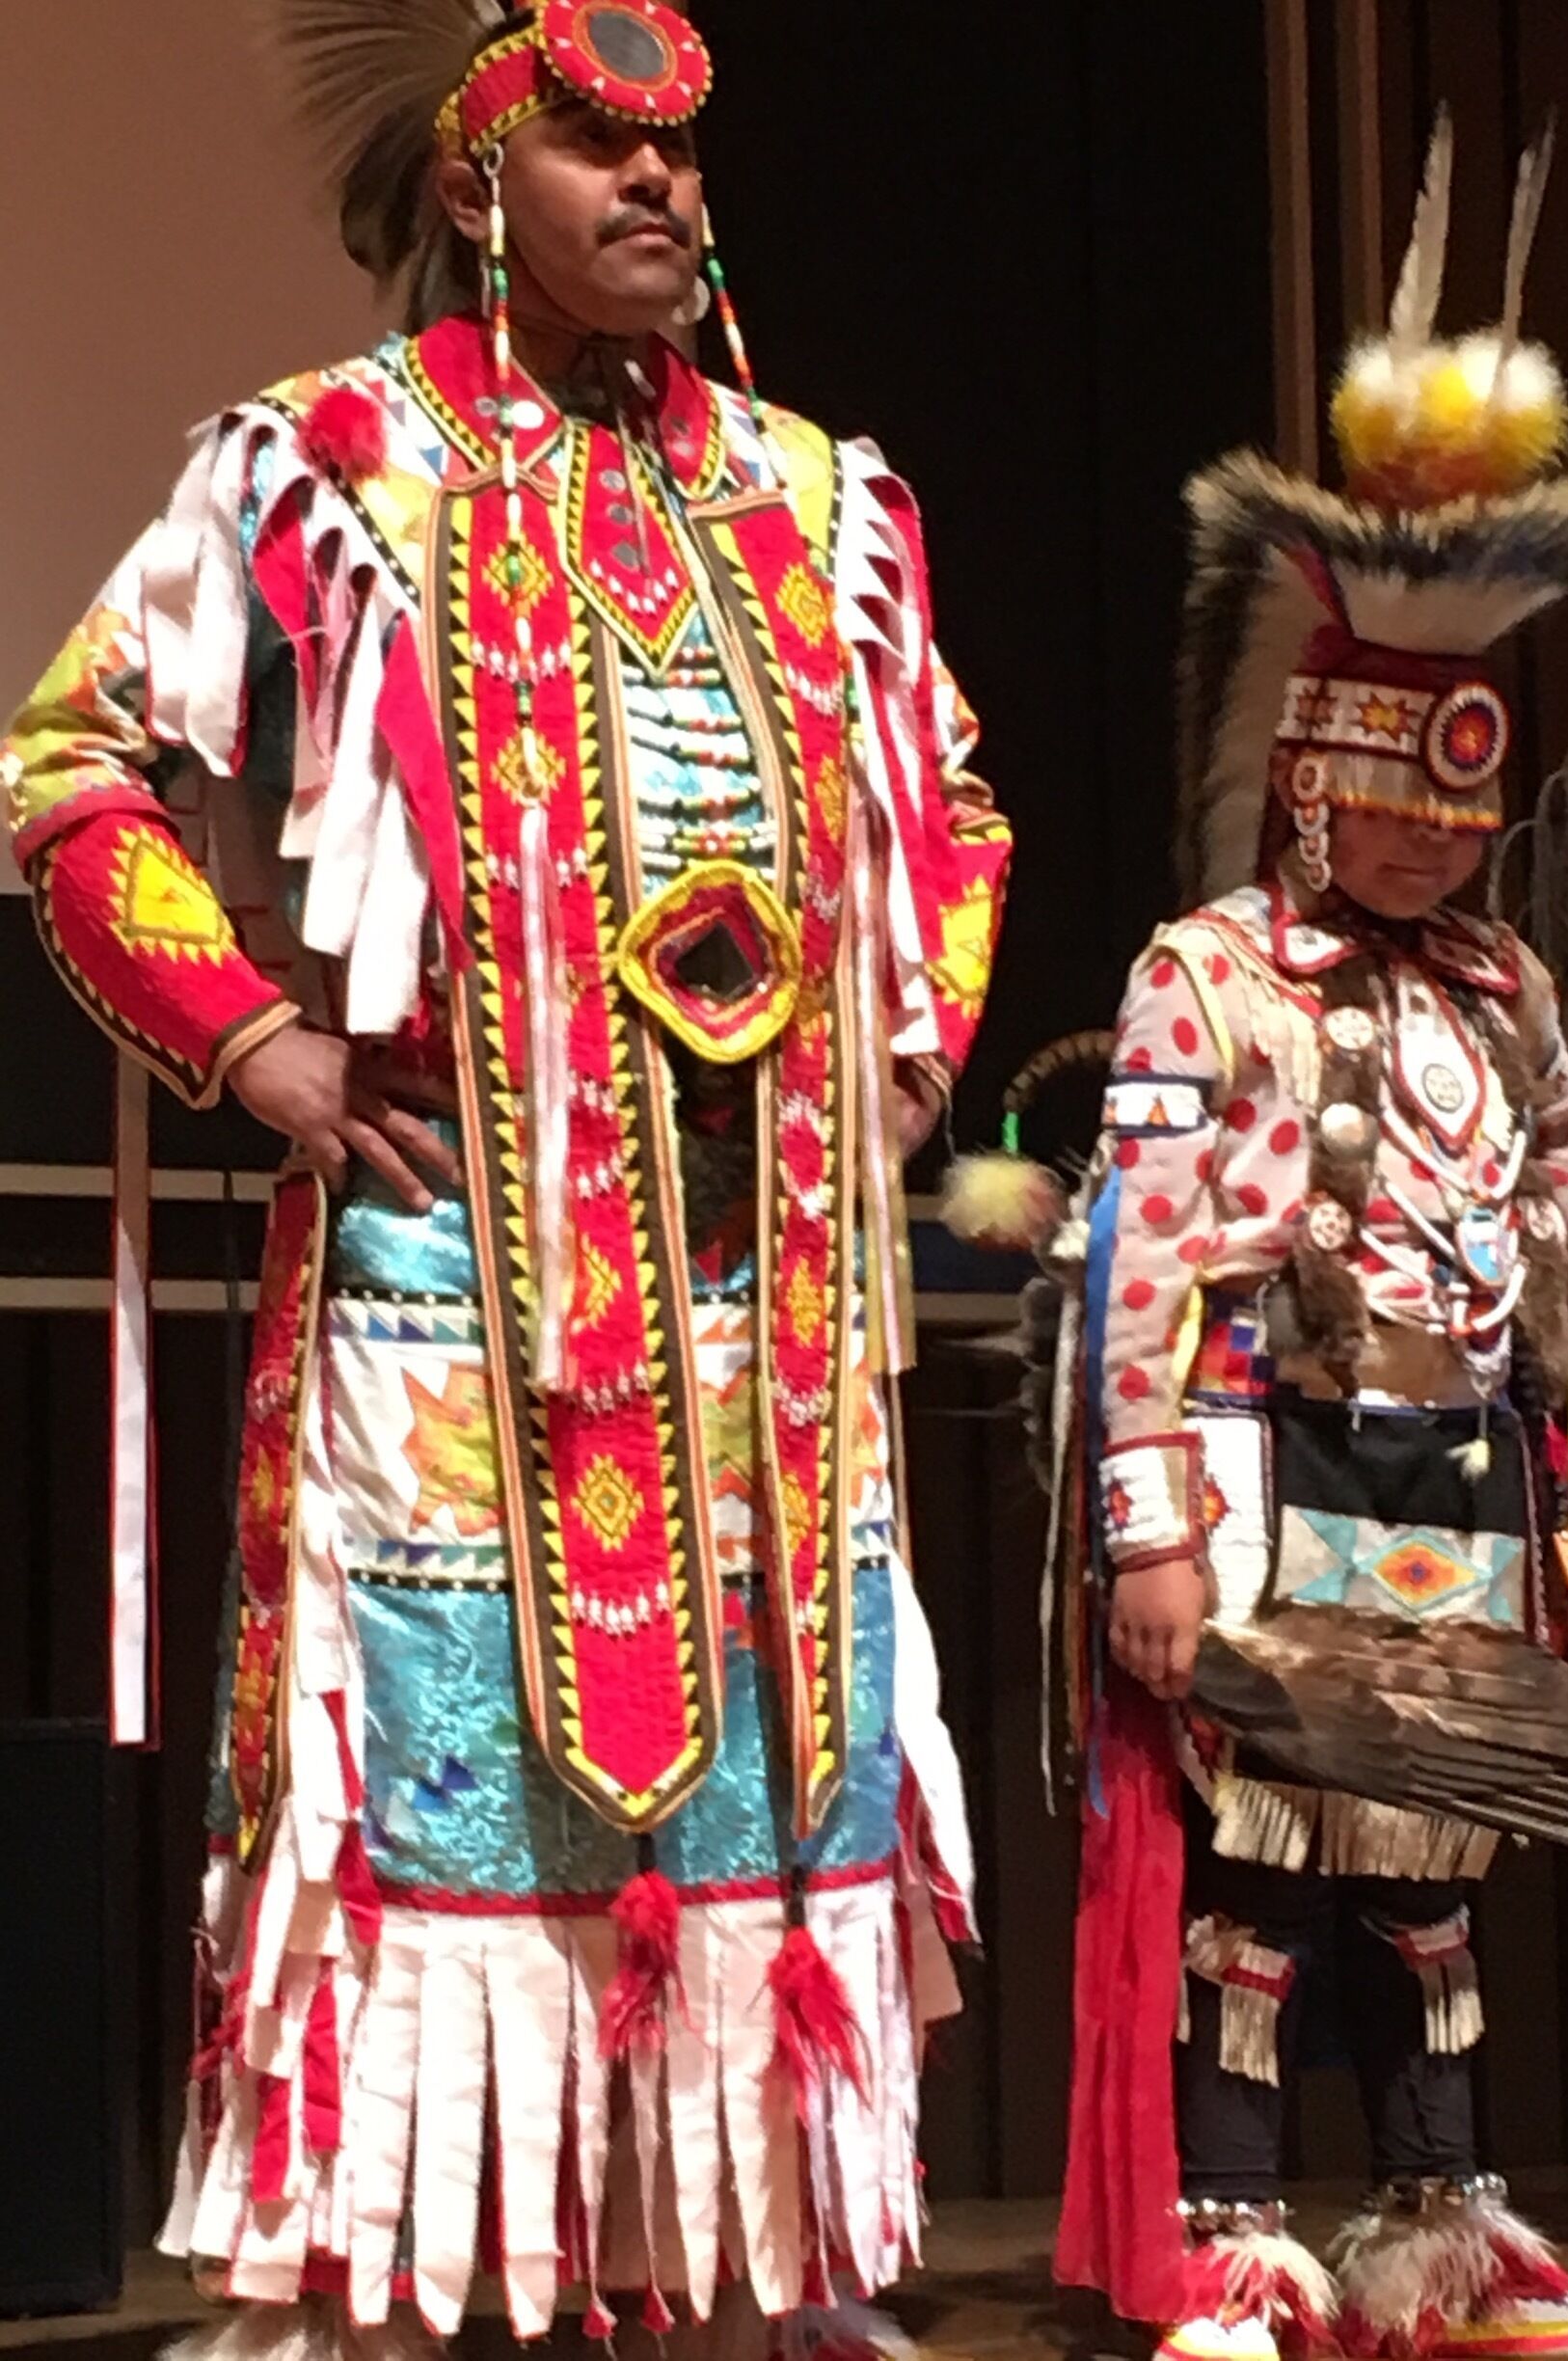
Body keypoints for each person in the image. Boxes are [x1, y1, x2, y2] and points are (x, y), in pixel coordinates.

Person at [1, 4, 1011, 2353]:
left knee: (766, 1778)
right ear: (479, 184)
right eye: (594, 145)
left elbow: (948, 804)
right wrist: (249, 1037)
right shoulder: (330, 468)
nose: (658, 185)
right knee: (452, 1788)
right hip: (450, 1279)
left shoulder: (816, 500)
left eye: (682, 152)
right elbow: (67, 766)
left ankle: (728, 2264)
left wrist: (909, 1050)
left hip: (762, 1310)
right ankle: (419, 2280)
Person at [1024, 120, 1568, 2361]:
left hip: (1456, 1482)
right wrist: (1150, 1535)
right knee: (1258, 1876)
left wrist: (1551, 1472)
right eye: (1396, 798)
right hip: (1266, 1463)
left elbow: (1554, 1229)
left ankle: (1444, 2227)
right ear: (1309, 782)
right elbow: (1138, 1268)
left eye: (1467, 802)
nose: (1438, 839)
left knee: (1435, 1874)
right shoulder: (1204, 976)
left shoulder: (1513, 992)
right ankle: (1238, 2243)